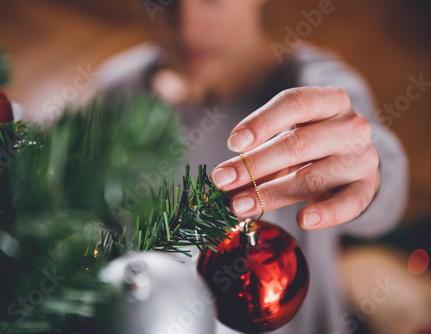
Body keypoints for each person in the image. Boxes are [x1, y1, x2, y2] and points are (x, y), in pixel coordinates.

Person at [88, 1, 408, 333]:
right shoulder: (117, 88)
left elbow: (385, 186)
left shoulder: (311, 81)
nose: (188, 28)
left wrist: (368, 172)